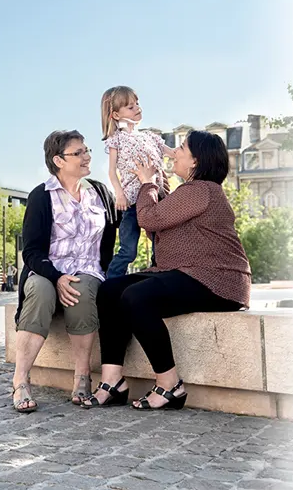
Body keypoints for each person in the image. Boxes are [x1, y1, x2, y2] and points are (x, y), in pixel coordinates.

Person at [83, 130, 251, 410]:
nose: (174, 152)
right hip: (189, 272)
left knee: (138, 297)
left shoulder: (201, 190)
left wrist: (147, 183)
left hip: (218, 280)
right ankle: (112, 381)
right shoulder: (191, 192)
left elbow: (149, 219)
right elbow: (158, 226)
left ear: (195, 161)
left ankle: (170, 385)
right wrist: (156, 188)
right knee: (111, 290)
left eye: (182, 148)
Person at [11, 130, 121, 413]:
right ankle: (20, 379)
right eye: (78, 153)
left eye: (87, 151)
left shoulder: (100, 193)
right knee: (40, 290)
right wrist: (56, 277)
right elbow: (31, 251)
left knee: (81, 289)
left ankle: (82, 376)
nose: (87, 157)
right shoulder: (41, 196)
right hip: (47, 270)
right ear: (58, 160)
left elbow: (116, 231)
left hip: (89, 271)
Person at [101, 86, 172, 278]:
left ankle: (158, 276)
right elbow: (112, 171)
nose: (137, 108)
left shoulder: (149, 137)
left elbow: (172, 153)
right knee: (128, 250)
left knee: (160, 245)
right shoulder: (116, 139)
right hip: (132, 201)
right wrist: (119, 194)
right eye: (130, 107)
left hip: (155, 199)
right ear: (116, 115)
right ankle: (110, 282)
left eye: (137, 104)